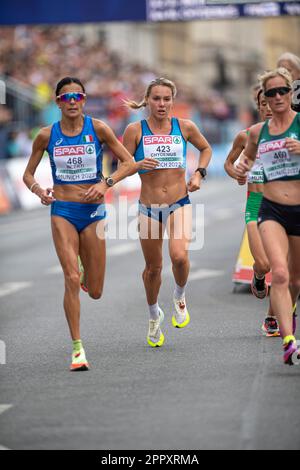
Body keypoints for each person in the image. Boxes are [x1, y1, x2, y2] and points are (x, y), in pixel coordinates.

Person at [23, 77, 154, 372]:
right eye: (66, 97)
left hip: (93, 211)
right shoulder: (46, 136)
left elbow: (129, 163)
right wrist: (39, 191)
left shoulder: (98, 129)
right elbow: (27, 175)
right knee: (70, 278)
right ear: (57, 102)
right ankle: (77, 349)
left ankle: (83, 271)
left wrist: (105, 184)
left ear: (84, 100)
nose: (72, 102)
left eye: (77, 97)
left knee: (95, 291)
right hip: (63, 210)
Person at [123, 77, 212, 347]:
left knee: (180, 257)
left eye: (166, 99)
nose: (161, 104)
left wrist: (199, 173)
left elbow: (206, 149)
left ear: (173, 101)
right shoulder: (134, 130)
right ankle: (153, 317)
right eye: (156, 98)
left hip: (179, 202)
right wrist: (138, 163)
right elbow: (122, 164)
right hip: (148, 208)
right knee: (153, 268)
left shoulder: (184, 127)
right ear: (147, 101)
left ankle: (179, 295)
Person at [236, 68, 300, 365]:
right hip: (270, 208)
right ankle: (288, 341)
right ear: (263, 98)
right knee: (281, 272)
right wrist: (239, 170)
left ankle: (288, 315)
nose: (277, 97)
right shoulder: (257, 133)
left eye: (282, 91)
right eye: (270, 93)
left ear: (291, 93)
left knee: (296, 279)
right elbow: (244, 162)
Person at [224, 88, 281, 337]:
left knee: (281, 269)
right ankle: (258, 273)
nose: (269, 106)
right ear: (258, 106)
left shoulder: (289, 135)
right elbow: (229, 162)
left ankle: (271, 317)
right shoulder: (247, 136)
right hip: (255, 203)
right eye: (263, 102)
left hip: (283, 204)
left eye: (272, 101)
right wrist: (236, 172)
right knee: (265, 263)